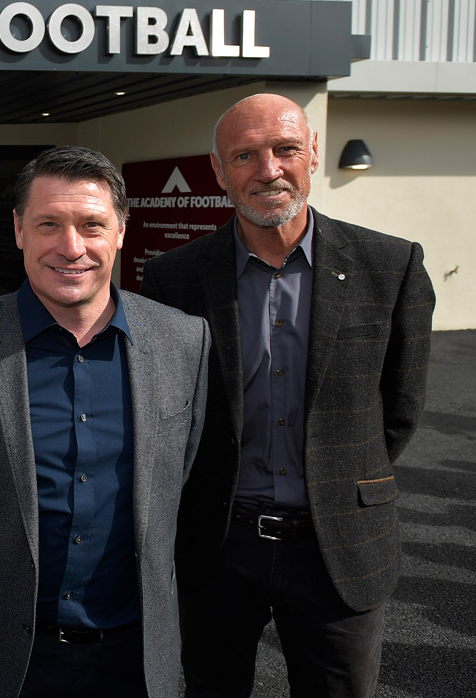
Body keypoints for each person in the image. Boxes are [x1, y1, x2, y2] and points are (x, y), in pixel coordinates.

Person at [140, 93, 436, 697]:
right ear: (219, 172)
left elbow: (398, 411)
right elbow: (166, 414)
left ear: (313, 154)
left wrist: (336, 478)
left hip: (340, 548)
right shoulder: (174, 277)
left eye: (285, 150)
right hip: (218, 547)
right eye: (244, 155)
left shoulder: (391, 265)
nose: (268, 169)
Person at [0, 145, 211, 698]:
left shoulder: (184, 341)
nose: (71, 247)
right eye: (49, 224)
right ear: (20, 230)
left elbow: (183, 475)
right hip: (8, 652)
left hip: (137, 655)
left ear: (121, 231)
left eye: (91, 225)